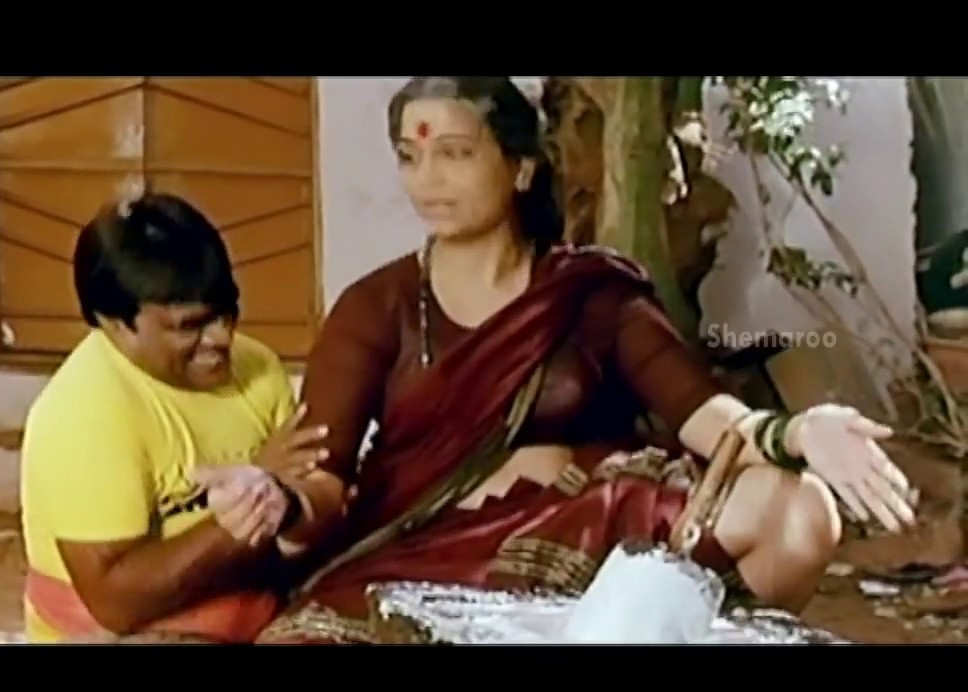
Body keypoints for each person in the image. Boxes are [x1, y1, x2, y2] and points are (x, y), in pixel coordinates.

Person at [254, 77, 918, 644]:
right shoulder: (375, 306)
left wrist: (796, 433)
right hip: (428, 547)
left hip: (591, 534)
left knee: (801, 511)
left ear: (520, 168)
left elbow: (702, 414)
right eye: (410, 156)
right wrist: (281, 504)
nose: (426, 180)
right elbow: (322, 480)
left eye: (454, 154)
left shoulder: (590, 291)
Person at [18, 193, 338, 644]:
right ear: (115, 324)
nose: (221, 338)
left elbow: (318, 518)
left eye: (227, 312)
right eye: (191, 326)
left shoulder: (258, 370)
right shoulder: (82, 412)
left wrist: (288, 506)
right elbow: (118, 604)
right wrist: (258, 501)